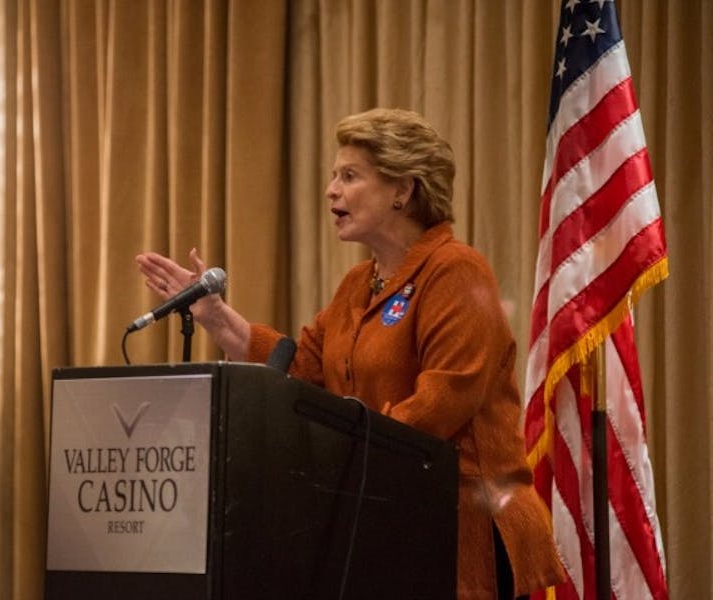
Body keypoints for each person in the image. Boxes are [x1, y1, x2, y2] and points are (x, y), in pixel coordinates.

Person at [136, 108, 566, 598]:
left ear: (403, 190)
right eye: (334, 175)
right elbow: (300, 371)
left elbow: (436, 410)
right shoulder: (359, 284)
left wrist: (333, 463)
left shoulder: (456, 271)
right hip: (388, 528)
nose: (331, 190)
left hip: (467, 537)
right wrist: (216, 317)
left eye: (349, 175)